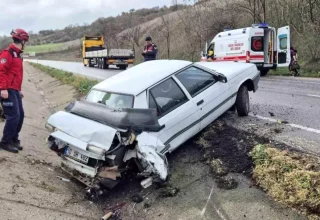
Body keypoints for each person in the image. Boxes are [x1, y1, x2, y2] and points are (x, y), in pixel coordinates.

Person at [0, 28, 29, 153]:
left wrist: (19, 89)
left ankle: (13, 139)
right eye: (25, 42)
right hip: (7, 89)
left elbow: (16, 73)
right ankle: (5, 142)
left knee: (20, 115)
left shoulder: (17, 54)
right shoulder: (8, 53)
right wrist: (3, 88)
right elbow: (1, 71)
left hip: (15, 89)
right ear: (22, 41)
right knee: (13, 116)